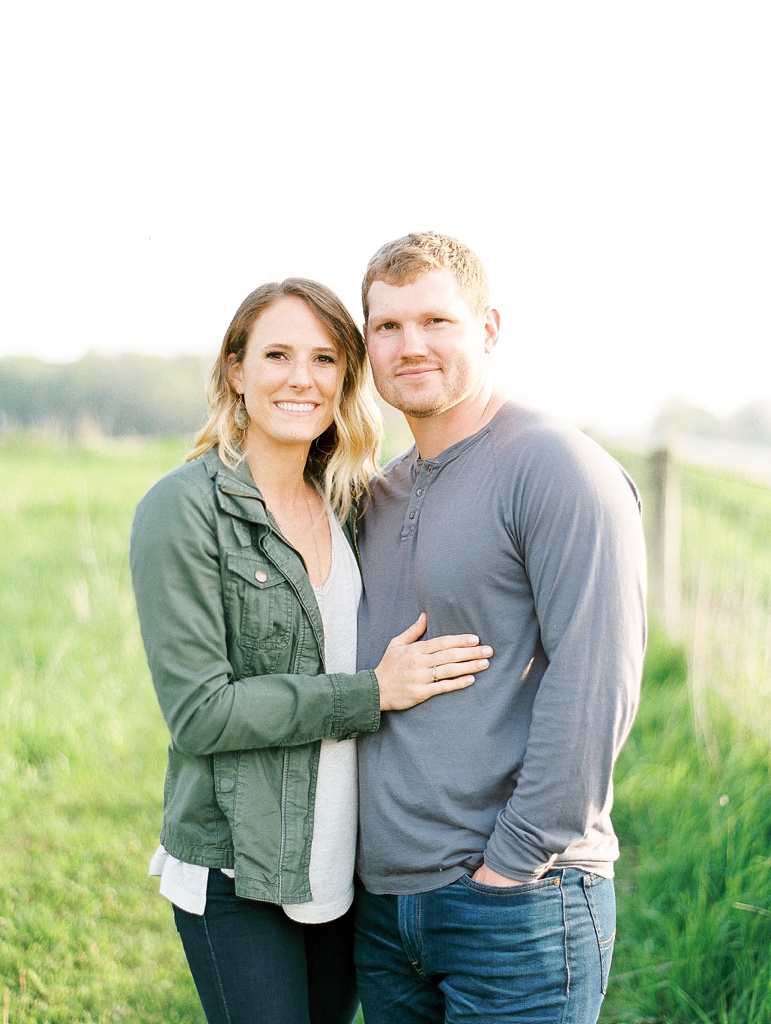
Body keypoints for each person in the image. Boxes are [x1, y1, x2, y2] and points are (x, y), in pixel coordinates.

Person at [129, 277, 494, 1024]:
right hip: (240, 864)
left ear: (345, 378)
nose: (302, 378)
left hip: (346, 863)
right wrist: (371, 693)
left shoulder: (350, 503)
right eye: (276, 355)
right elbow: (201, 713)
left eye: (325, 359)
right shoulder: (184, 508)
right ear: (236, 371)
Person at [353, 233, 648, 1024]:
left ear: (486, 327)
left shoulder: (556, 468)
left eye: (435, 321)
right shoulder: (378, 496)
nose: (410, 345)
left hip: (520, 902)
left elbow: (596, 684)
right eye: (386, 327)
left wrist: (509, 868)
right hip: (386, 914)